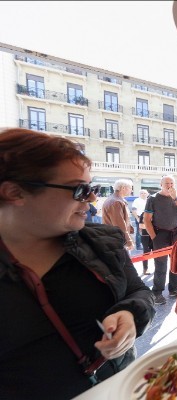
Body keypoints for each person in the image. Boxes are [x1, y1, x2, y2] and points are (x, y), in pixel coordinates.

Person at [0, 128, 155, 399]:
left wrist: (130, 314)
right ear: (15, 192)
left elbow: (139, 292)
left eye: (92, 189)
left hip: (120, 387)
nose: (93, 199)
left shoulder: (101, 243)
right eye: (80, 190)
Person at [143, 175, 177, 305]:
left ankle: (174, 289)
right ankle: (157, 292)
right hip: (160, 234)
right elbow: (147, 220)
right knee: (160, 265)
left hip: (175, 234)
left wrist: (175, 198)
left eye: (171, 183)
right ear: (161, 184)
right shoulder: (153, 198)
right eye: (166, 183)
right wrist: (155, 238)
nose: (169, 185)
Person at [102, 179, 134, 251]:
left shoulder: (116, 200)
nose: (131, 190)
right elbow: (119, 225)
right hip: (116, 241)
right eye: (130, 188)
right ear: (123, 188)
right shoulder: (116, 202)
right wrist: (128, 241)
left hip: (116, 239)